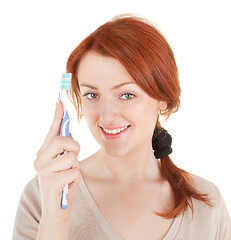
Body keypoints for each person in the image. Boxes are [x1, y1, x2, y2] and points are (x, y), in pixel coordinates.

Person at [12, 14, 231, 240]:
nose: (106, 116)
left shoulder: (206, 205)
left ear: (163, 98)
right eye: (92, 95)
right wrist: (55, 220)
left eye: (127, 95)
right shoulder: (44, 194)